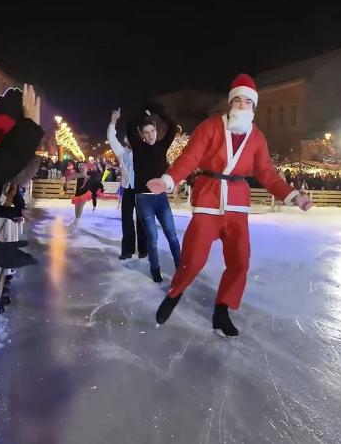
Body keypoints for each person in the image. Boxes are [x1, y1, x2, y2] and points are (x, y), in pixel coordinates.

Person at [147, 74, 312, 337]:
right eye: (238, 100)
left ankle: (222, 309)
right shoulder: (210, 127)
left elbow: (267, 174)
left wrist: (294, 196)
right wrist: (168, 180)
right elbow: (190, 158)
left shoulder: (257, 138)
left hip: (237, 204)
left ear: (254, 108)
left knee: (240, 261)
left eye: (248, 102)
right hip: (209, 200)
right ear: (230, 103)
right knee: (194, 258)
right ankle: (175, 293)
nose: (242, 105)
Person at [127, 102, 181, 282]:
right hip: (144, 199)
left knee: (172, 234)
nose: (150, 135)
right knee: (152, 236)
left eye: (153, 131)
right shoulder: (138, 147)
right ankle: (155, 269)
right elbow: (129, 126)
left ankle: (180, 266)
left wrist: (160, 112)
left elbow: (172, 127)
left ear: (157, 132)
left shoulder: (161, 146)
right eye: (147, 132)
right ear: (142, 135)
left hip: (161, 199)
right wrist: (142, 112)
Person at [107, 109, 148, 260]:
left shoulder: (143, 152)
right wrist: (113, 121)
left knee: (142, 219)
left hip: (141, 190)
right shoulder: (121, 152)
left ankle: (144, 249)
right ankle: (127, 250)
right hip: (127, 189)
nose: (128, 137)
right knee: (126, 220)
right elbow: (111, 137)